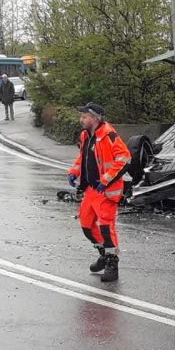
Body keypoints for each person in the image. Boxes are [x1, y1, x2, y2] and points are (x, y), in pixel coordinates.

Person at [68, 102, 131, 282]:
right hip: (91, 189)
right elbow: (83, 157)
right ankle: (104, 254)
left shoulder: (108, 135)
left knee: (106, 227)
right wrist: (74, 172)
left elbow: (125, 158)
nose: (82, 120)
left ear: (95, 118)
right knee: (87, 225)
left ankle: (112, 264)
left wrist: (106, 179)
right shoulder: (86, 135)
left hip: (107, 190)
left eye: (85, 117)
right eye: (82, 116)